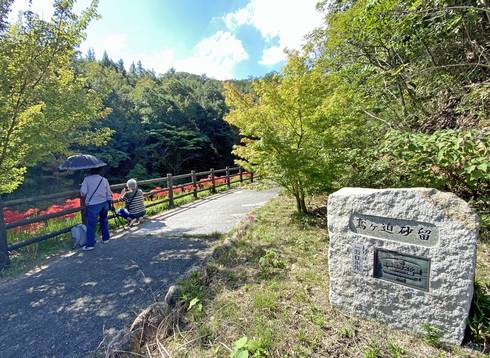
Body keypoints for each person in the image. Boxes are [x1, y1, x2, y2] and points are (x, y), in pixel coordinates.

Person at [80, 167, 113, 250]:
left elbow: (83, 193)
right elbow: (109, 193)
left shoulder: (87, 179)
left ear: (91, 171)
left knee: (91, 225)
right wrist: (110, 203)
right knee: (104, 221)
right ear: (99, 171)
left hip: (93, 205)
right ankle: (106, 238)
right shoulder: (104, 179)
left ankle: (90, 244)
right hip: (104, 203)